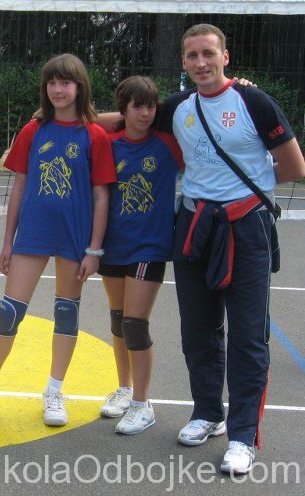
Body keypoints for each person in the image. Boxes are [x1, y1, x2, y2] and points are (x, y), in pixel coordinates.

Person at [158, 24, 303, 473]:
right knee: (197, 329)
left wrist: (249, 189)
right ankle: (207, 413)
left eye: (208, 53)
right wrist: (62, 110)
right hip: (194, 225)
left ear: (225, 56)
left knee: (248, 335)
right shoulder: (178, 107)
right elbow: (128, 115)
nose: (200, 62)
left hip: (246, 228)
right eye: (192, 55)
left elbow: (294, 165)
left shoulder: (253, 101)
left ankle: (243, 436)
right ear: (183, 62)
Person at [0, 53, 115, 428]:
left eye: (65, 82)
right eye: (52, 83)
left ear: (80, 87)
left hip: (75, 237)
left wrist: (94, 249)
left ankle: (54, 392)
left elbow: (101, 196)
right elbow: (19, 187)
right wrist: (8, 242)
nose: (58, 89)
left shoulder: (94, 135)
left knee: (66, 312)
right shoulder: (34, 130)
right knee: (8, 310)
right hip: (33, 233)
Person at [97, 76, 183, 435]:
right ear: (124, 109)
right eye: (137, 106)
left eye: (150, 106)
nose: (145, 113)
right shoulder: (109, 143)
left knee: (135, 325)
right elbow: (87, 119)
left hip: (150, 246)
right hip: (113, 243)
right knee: (118, 320)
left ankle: (143, 404)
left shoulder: (168, 143)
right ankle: (125, 388)